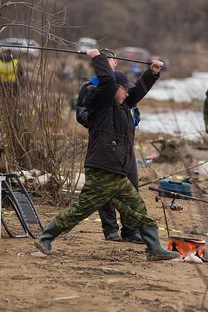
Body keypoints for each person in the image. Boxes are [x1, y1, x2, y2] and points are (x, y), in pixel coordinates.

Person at [34, 49, 179, 262]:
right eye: (124, 90)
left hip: (117, 172)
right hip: (102, 170)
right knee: (81, 210)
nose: (127, 93)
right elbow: (108, 84)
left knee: (138, 207)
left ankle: (154, 248)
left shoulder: (124, 105)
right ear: (114, 89)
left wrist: (151, 73)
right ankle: (45, 238)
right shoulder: (101, 104)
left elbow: (137, 92)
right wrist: (99, 59)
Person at [76, 48, 143, 243]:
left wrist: (132, 120)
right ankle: (110, 229)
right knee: (104, 190)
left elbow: (133, 105)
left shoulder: (122, 84)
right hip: (104, 144)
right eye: (108, 61)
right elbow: (82, 113)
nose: (113, 64)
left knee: (132, 188)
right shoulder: (91, 86)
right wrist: (98, 121)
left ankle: (131, 230)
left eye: (114, 61)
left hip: (125, 145)